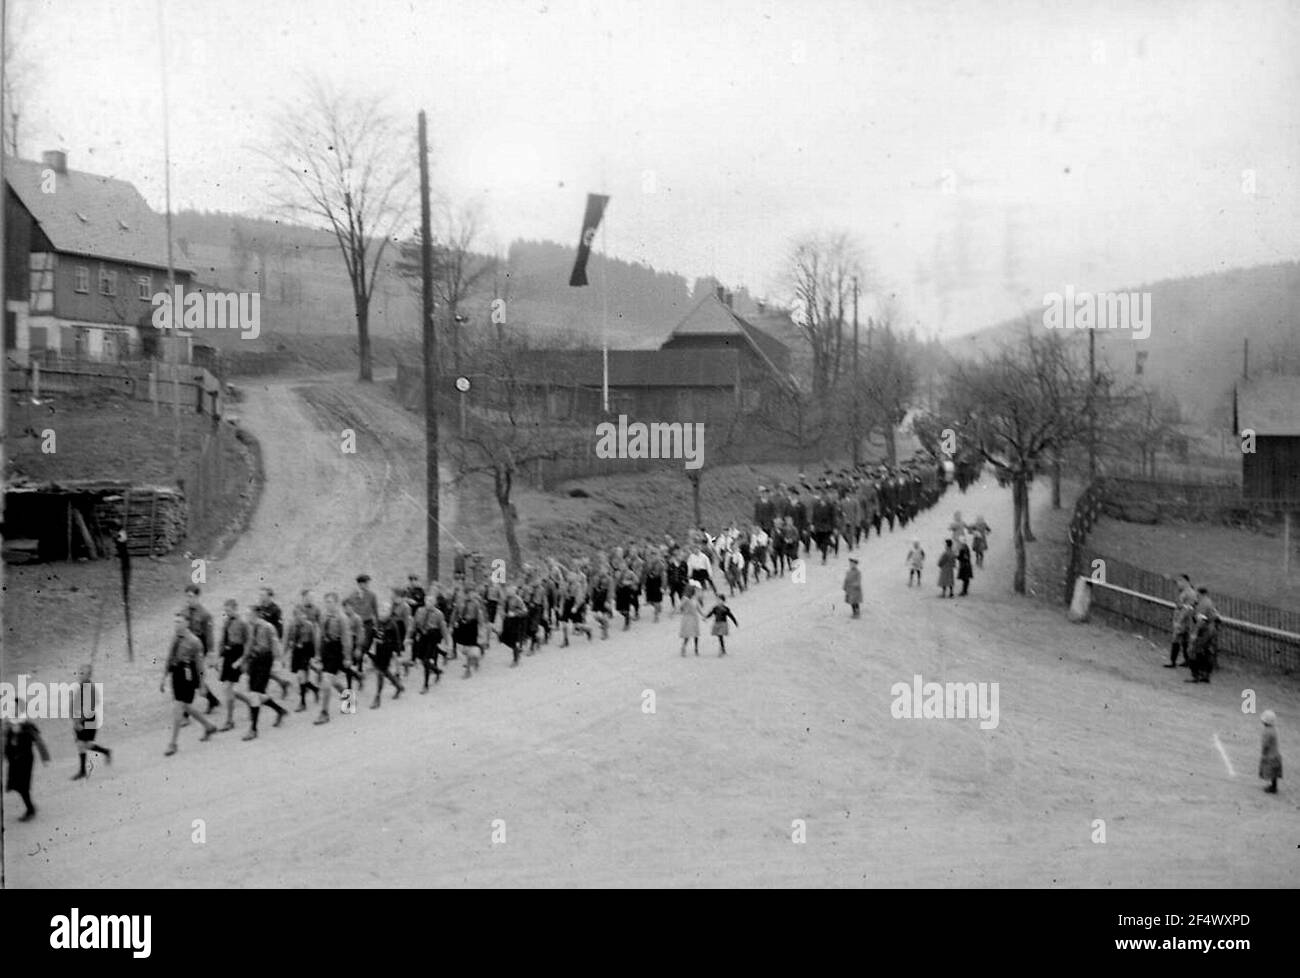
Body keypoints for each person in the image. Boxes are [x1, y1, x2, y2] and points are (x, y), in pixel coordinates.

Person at [162, 612, 218, 755]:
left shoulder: (194, 641)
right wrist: (163, 678)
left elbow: (200, 666)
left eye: (179, 622)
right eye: (175, 622)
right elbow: (169, 657)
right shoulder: (175, 637)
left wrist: (202, 684)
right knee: (186, 706)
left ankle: (173, 744)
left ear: (187, 623)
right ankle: (208, 726)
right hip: (176, 674)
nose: (176, 625)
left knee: (178, 707)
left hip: (188, 675)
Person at [235, 605, 289, 739]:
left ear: (256, 615)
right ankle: (279, 710)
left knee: (254, 695)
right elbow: (249, 645)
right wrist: (242, 660)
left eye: (248, 614)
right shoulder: (251, 627)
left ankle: (253, 729)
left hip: (265, 661)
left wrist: (278, 661)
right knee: (257, 694)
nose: (246, 617)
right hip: (254, 661)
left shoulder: (267, 627)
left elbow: (275, 644)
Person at [3, 701, 50, 821]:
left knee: (23, 786)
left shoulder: (28, 728)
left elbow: (39, 743)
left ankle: (30, 809)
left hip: (25, 761)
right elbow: (4, 744)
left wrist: (45, 758)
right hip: (14, 761)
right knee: (17, 786)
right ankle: (30, 807)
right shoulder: (8, 727)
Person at [314, 592, 354, 724]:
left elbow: (346, 639)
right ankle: (349, 700)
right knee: (332, 679)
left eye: (330, 602)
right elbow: (320, 635)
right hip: (326, 649)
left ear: (336, 603)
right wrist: (318, 654)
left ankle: (324, 713)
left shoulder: (342, 618)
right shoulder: (324, 616)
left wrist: (347, 657)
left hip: (336, 650)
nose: (327, 604)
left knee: (326, 681)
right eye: (326, 602)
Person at [183, 585, 222, 714]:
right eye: (187, 597)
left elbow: (209, 635)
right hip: (186, 648)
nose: (189, 599)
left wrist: (211, 653)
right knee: (192, 679)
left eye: (191, 597)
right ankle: (212, 700)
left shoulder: (205, 614)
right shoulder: (184, 612)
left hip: (199, 648)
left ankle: (185, 713)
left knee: (190, 678)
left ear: (197, 597)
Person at [70, 662, 112, 779]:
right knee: (81, 745)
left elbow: (91, 707)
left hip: (89, 720)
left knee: (85, 744)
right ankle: (104, 753)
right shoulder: (80, 686)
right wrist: (75, 720)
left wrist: (79, 721)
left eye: (83, 673)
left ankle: (84, 770)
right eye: (80, 672)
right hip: (80, 720)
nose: (80, 675)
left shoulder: (90, 688)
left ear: (89, 675)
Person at [368, 602, 406, 707]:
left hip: (387, 651)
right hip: (377, 650)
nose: (383, 612)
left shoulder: (393, 624)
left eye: (386, 610)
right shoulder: (377, 622)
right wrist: (367, 648)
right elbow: (371, 635)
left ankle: (377, 697)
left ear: (389, 613)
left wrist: (398, 654)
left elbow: (398, 641)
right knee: (384, 671)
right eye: (382, 610)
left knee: (380, 673)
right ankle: (398, 686)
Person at [284, 604, 320, 712]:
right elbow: (288, 639)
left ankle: (303, 702)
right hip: (296, 652)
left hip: (306, 651)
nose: (298, 617)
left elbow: (314, 640)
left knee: (301, 675)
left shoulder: (309, 625)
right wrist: (286, 651)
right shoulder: (292, 626)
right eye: (296, 615)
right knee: (300, 677)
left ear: (303, 614)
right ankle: (315, 689)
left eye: (300, 614)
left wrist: (315, 655)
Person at [677, 583, 705, 657]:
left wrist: (703, 615)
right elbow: (680, 606)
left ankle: (696, 649)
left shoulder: (694, 599)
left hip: (694, 617)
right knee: (687, 634)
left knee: (696, 634)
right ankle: (683, 648)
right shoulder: (685, 599)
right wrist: (680, 611)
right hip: (687, 618)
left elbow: (698, 608)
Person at [1259, 710, 1282, 794]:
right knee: (1274, 773)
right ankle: (1274, 786)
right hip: (1276, 754)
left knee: (1271, 772)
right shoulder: (1273, 729)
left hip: (1270, 755)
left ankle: (1273, 788)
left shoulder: (1267, 731)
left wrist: (1263, 753)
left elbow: (1266, 744)